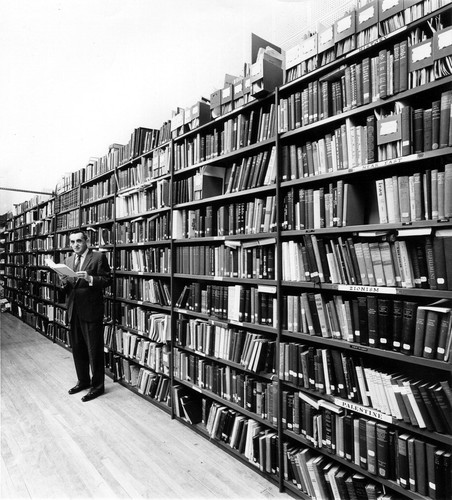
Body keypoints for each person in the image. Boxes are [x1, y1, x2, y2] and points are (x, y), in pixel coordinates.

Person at [60, 230, 111, 402]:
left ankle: (97, 387)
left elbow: (107, 280)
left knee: (93, 351)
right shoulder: (67, 260)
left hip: (91, 310)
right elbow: (67, 289)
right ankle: (83, 381)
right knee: (78, 349)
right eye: (72, 242)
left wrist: (90, 278)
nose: (75, 245)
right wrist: (63, 281)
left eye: (79, 241)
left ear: (86, 241)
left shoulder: (98, 257)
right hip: (73, 310)